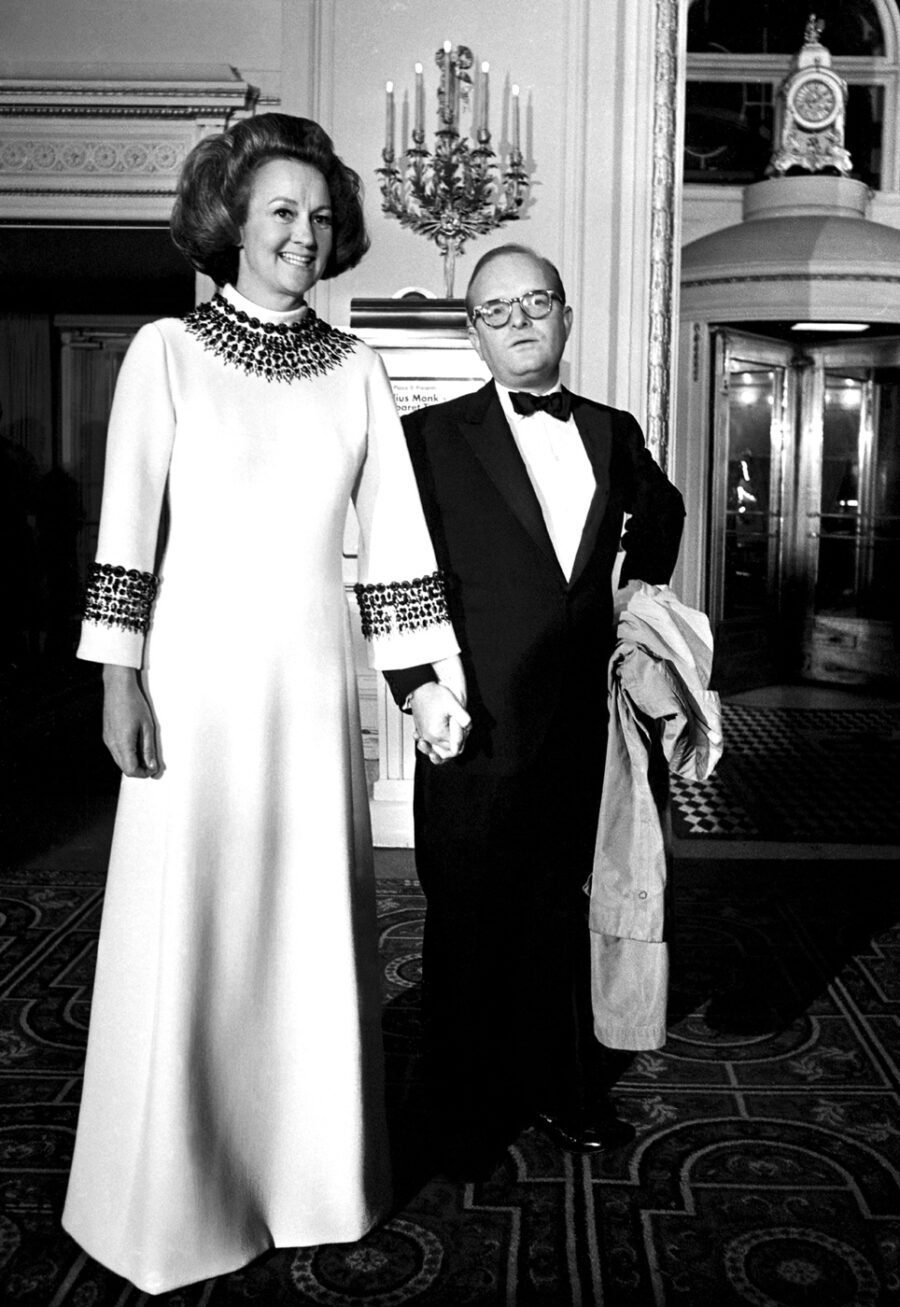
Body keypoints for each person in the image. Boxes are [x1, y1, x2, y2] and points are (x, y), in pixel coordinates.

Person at [62, 113, 468, 1295]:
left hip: (302, 691)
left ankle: (304, 1179)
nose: (305, 232)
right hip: (189, 683)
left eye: (322, 216)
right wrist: (117, 676)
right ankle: (173, 1195)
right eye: (283, 211)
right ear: (232, 220)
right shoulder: (165, 353)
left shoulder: (357, 369)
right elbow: (126, 530)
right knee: (196, 929)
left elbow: (392, 543)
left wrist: (425, 683)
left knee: (300, 931)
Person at [383, 244, 685, 1174]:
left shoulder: (612, 427)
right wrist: (415, 685)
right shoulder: (427, 437)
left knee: (561, 917)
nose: (518, 320)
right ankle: (459, 1105)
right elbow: (393, 571)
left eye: (535, 302)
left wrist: (638, 603)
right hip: (472, 724)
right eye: (495, 309)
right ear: (474, 331)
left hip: (580, 730)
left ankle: (558, 1083)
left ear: (563, 314)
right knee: (468, 921)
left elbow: (662, 512)